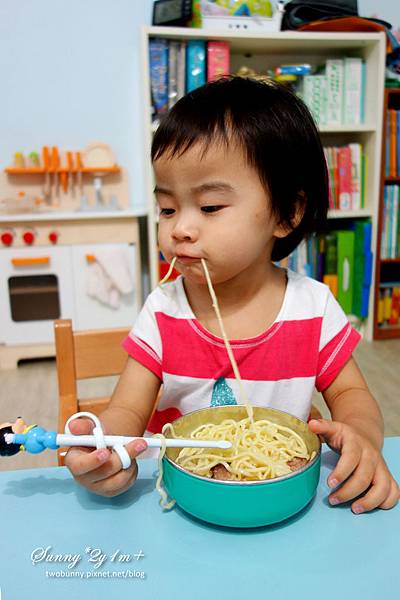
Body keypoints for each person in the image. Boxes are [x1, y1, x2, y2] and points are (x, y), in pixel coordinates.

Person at [66, 76, 399, 512]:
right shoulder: (164, 310)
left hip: (280, 498)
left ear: (286, 214)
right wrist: (106, 447)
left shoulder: (312, 308)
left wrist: (362, 437)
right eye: (167, 208)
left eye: (209, 208)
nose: (179, 228)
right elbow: (127, 409)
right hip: (185, 502)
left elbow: (354, 398)